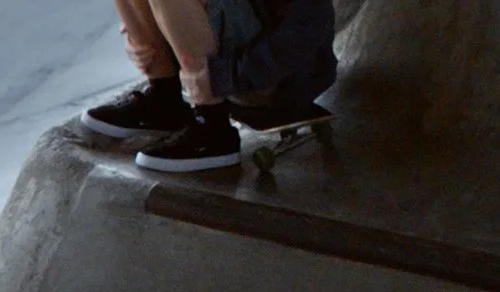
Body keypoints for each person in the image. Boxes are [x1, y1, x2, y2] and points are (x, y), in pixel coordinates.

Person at [80, 0, 338, 172]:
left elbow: (309, 30)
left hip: (280, 81)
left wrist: (225, 77)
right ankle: (164, 98)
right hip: (232, 62)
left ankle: (213, 128)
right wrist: (148, 34)